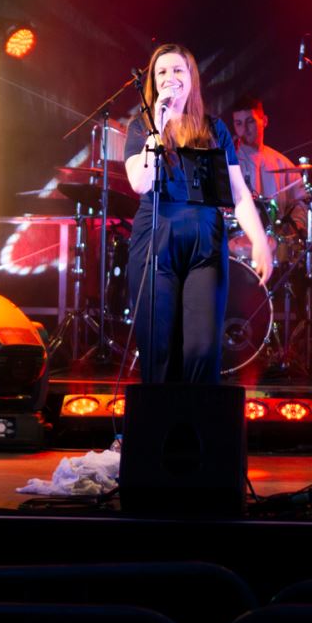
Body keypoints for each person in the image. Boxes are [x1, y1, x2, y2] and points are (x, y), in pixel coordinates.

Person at [123, 44, 273, 382]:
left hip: (204, 244)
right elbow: (139, 182)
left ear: (191, 78)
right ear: (153, 81)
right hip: (155, 242)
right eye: (162, 72)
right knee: (159, 348)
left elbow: (238, 193)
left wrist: (260, 241)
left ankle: (198, 414)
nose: (170, 78)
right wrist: (158, 125)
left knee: (202, 349)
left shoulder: (213, 129)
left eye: (178, 70)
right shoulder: (141, 128)